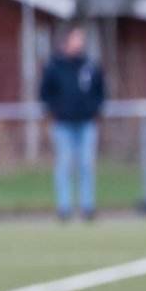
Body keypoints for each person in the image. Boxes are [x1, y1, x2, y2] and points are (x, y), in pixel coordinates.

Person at [39, 24, 105, 221]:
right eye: (76, 38)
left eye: (82, 39)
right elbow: (44, 93)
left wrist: (94, 109)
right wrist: (56, 109)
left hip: (86, 123)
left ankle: (87, 207)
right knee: (64, 164)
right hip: (63, 124)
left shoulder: (90, 66)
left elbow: (101, 92)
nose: (80, 43)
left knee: (86, 164)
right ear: (66, 41)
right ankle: (64, 208)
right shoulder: (55, 66)